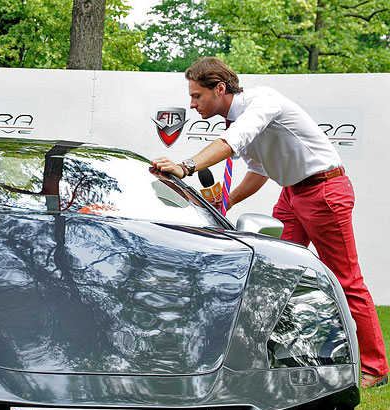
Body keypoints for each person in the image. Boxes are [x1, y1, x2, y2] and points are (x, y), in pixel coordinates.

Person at [151, 57, 388, 389]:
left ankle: (376, 368)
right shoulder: (234, 119)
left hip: (324, 191)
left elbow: (231, 143)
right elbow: (259, 171)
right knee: (274, 275)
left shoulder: (262, 101)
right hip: (292, 194)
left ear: (219, 89)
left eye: (196, 96)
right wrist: (227, 202)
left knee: (347, 280)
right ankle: (277, 356)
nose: (192, 105)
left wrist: (185, 166)